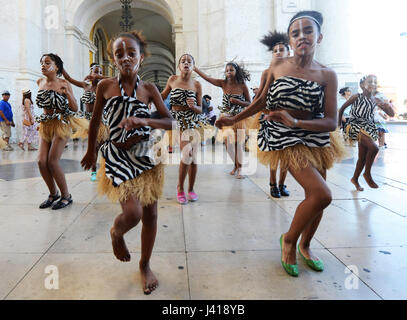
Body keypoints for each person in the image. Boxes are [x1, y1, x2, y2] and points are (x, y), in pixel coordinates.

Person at [216, 11, 346, 277]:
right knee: (322, 194)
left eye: (308, 31)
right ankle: (289, 240)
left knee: (317, 199)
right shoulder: (277, 66)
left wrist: (297, 123)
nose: (302, 37)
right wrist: (233, 119)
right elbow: (260, 102)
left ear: (319, 37)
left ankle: (306, 245)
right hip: (282, 136)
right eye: (295, 33)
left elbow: (332, 122)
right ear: (290, 39)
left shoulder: (327, 75)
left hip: (314, 135)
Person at [81, 31, 172, 294]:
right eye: (119, 54)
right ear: (113, 59)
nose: (125, 59)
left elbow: (169, 122)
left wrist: (144, 120)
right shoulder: (105, 87)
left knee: (151, 214)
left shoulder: (149, 89)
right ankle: (116, 233)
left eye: (131, 53)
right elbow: (96, 121)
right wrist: (90, 150)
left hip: (145, 155)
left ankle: (144, 265)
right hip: (117, 156)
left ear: (141, 58)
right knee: (133, 213)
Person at [161, 53, 211, 204]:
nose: (186, 63)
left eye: (190, 61)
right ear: (179, 66)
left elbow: (200, 109)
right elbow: (162, 96)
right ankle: (180, 188)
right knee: (186, 154)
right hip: (178, 121)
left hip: (193, 121)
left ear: (193, 66)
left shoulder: (197, 84)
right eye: (183, 61)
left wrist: (194, 105)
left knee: (193, 159)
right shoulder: (172, 80)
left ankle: (191, 189)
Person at [36, 53, 82, 210]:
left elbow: (75, 108)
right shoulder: (39, 82)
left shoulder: (64, 83)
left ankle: (66, 196)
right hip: (45, 124)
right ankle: (53, 194)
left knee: (52, 161)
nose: (43, 65)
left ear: (56, 67)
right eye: (42, 63)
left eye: (47, 62)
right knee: (41, 162)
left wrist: (68, 94)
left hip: (61, 123)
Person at [194, 61, 251, 179]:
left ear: (236, 72)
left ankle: (240, 169)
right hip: (226, 117)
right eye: (227, 70)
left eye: (231, 70)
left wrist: (238, 102)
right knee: (229, 145)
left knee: (238, 144)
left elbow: (249, 102)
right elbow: (208, 78)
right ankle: (235, 165)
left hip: (239, 118)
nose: (229, 72)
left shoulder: (242, 85)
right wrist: (195, 69)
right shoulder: (223, 83)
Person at [339, 75, 394, 191]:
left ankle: (355, 179)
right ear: (362, 85)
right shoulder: (356, 96)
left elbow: (391, 114)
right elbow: (342, 109)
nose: (373, 84)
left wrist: (386, 106)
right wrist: (339, 123)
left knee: (362, 157)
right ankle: (367, 174)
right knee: (374, 148)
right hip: (354, 125)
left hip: (368, 127)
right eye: (370, 81)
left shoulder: (376, 99)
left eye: (375, 82)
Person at [254, 30, 292, 198]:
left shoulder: (294, 71)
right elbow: (260, 96)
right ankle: (272, 183)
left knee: (287, 155)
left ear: (288, 52)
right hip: (271, 116)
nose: (278, 52)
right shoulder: (267, 72)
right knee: (275, 154)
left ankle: (282, 184)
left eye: (281, 49)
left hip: (289, 118)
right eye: (275, 50)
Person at [63, 63, 108, 181]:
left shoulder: (104, 85)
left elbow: (116, 79)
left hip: (101, 121)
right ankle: (93, 171)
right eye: (95, 71)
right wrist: (61, 66)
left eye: (100, 72)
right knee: (93, 147)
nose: (97, 74)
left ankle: (107, 170)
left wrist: (100, 78)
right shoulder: (85, 85)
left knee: (102, 147)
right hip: (88, 121)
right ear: (90, 72)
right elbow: (69, 79)